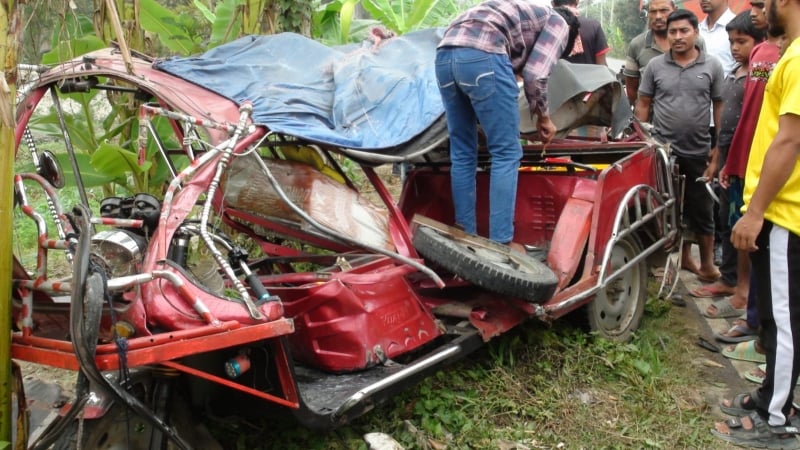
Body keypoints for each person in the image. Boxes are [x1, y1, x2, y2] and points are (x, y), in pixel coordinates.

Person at [712, 0, 800, 445]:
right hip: (779, 210)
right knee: (772, 315)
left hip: (785, 211)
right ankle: (772, 394)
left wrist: (756, 210)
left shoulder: (799, 58)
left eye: (766, 2)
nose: (761, 9)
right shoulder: (792, 54)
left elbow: (790, 139)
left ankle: (777, 416)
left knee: (784, 321)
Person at [435, 1, 579, 246]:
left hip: (444, 57)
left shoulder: (525, 13)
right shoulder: (560, 24)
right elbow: (536, 74)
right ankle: (501, 242)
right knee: (506, 152)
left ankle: (465, 237)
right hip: (483, 53)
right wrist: (544, 117)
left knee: (462, 153)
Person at [710, 1, 784, 344]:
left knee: (765, 253)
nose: (756, 9)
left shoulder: (781, 57)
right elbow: (747, 120)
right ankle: (753, 317)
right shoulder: (764, 54)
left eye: (760, 3)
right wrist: (732, 160)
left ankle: (760, 325)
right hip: (748, 164)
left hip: (774, 174)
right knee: (742, 237)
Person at [634, 9, 724, 284]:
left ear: (695, 33)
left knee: (702, 210)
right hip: (662, 153)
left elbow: (719, 106)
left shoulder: (712, 66)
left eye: (684, 31)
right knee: (666, 209)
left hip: (698, 150)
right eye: (673, 32)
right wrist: (642, 141)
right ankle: (668, 262)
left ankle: (707, 264)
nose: (677, 36)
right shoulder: (655, 67)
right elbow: (644, 104)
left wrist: (718, 148)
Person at [693, 12, 765, 320]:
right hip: (729, 157)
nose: (735, 47)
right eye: (732, 41)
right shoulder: (735, 71)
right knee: (726, 219)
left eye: (742, 41)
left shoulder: (761, 74)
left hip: (748, 161)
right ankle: (729, 278)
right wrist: (720, 156)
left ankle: (741, 288)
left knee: (740, 224)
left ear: (759, 41)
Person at [623, 0, 677, 105]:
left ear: (675, 10)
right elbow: (631, 90)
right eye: (653, 11)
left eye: (664, 10)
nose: (658, 16)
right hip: (649, 118)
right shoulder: (637, 45)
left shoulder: (694, 42)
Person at [552, 0, 610, 65]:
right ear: (577, 1)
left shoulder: (544, 25)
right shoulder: (594, 26)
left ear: (553, 3)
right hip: (588, 75)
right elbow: (601, 66)